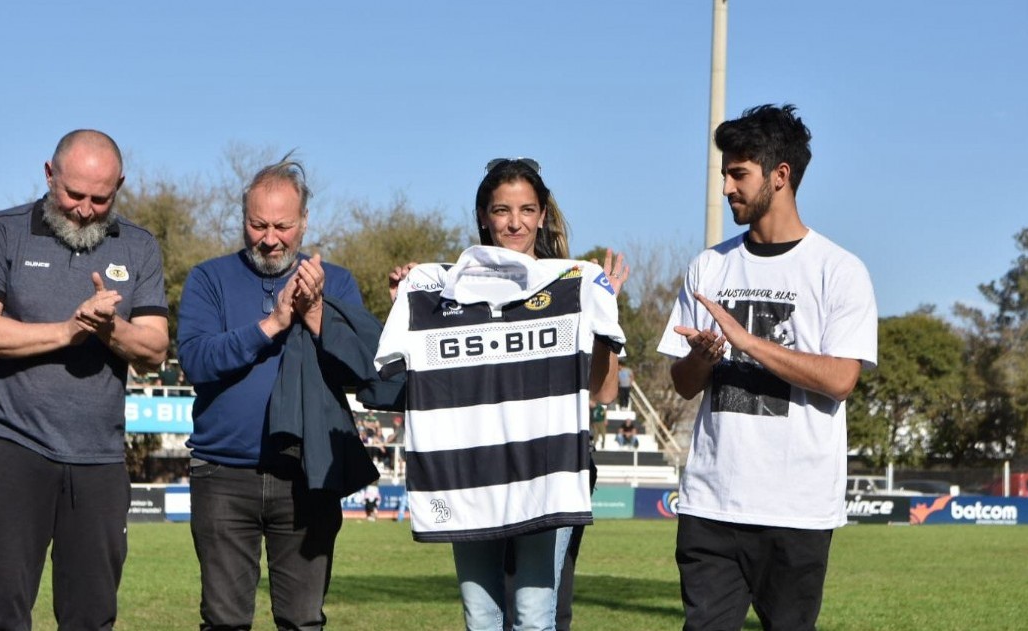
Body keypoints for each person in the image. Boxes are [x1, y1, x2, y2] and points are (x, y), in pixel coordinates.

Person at [657, 104, 878, 631]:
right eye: (725, 174)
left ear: (780, 176)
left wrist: (747, 342)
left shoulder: (839, 270)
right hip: (711, 504)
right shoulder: (708, 266)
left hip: (797, 510)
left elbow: (841, 380)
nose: (727, 187)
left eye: (739, 174)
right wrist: (702, 359)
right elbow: (684, 387)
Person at [382, 158, 628, 631]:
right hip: (469, 473)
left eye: (526, 209)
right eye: (502, 210)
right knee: (481, 618)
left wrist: (602, 316)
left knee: (537, 618)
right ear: (483, 216)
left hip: (548, 468)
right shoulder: (444, 289)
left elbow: (604, 392)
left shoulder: (572, 284)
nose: (514, 222)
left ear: (541, 215)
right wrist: (412, 302)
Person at [0, 129, 169, 630]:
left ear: (119, 185)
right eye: (73, 194)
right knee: (4, 616)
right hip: (9, 447)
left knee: (91, 618)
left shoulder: (138, 246)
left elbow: (155, 348)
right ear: (49, 175)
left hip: (98, 458)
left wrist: (109, 328)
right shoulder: (1, 231)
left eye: (101, 197)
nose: (85, 209)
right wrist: (70, 330)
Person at [178, 153, 385, 630]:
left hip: (307, 474)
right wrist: (273, 324)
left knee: (302, 621)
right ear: (243, 218)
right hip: (223, 473)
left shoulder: (338, 282)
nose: (269, 238)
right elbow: (197, 361)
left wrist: (315, 316)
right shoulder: (209, 279)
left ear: (305, 222)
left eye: (283, 226)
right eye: (257, 224)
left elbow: (362, 370)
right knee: (224, 622)